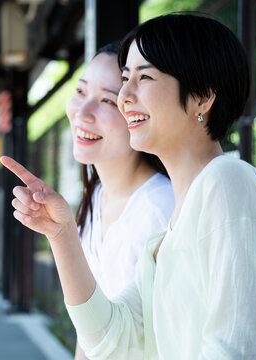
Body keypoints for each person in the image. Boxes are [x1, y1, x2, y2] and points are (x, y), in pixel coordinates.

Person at [1, 13, 256, 359]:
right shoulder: (169, 231)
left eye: (144, 77)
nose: (124, 96)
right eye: (125, 78)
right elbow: (110, 339)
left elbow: (241, 349)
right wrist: (62, 235)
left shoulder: (227, 182)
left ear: (202, 98)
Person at [63, 42, 174, 360]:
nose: (82, 113)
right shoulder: (95, 198)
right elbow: (90, 331)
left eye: (108, 101)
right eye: (81, 92)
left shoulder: (161, 209)